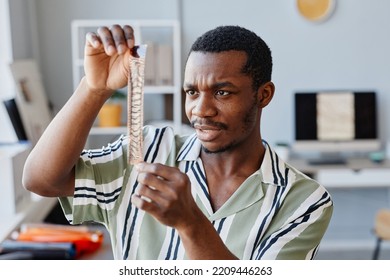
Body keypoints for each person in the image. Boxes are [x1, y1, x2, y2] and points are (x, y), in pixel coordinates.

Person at [22, 24, 333, 260]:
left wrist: (190, 223)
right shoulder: (147, 148)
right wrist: (94, 88)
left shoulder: (304, 201)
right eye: (192, 92)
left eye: (222, 92)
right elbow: (41, 180)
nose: (201, 109)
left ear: (263, 95)